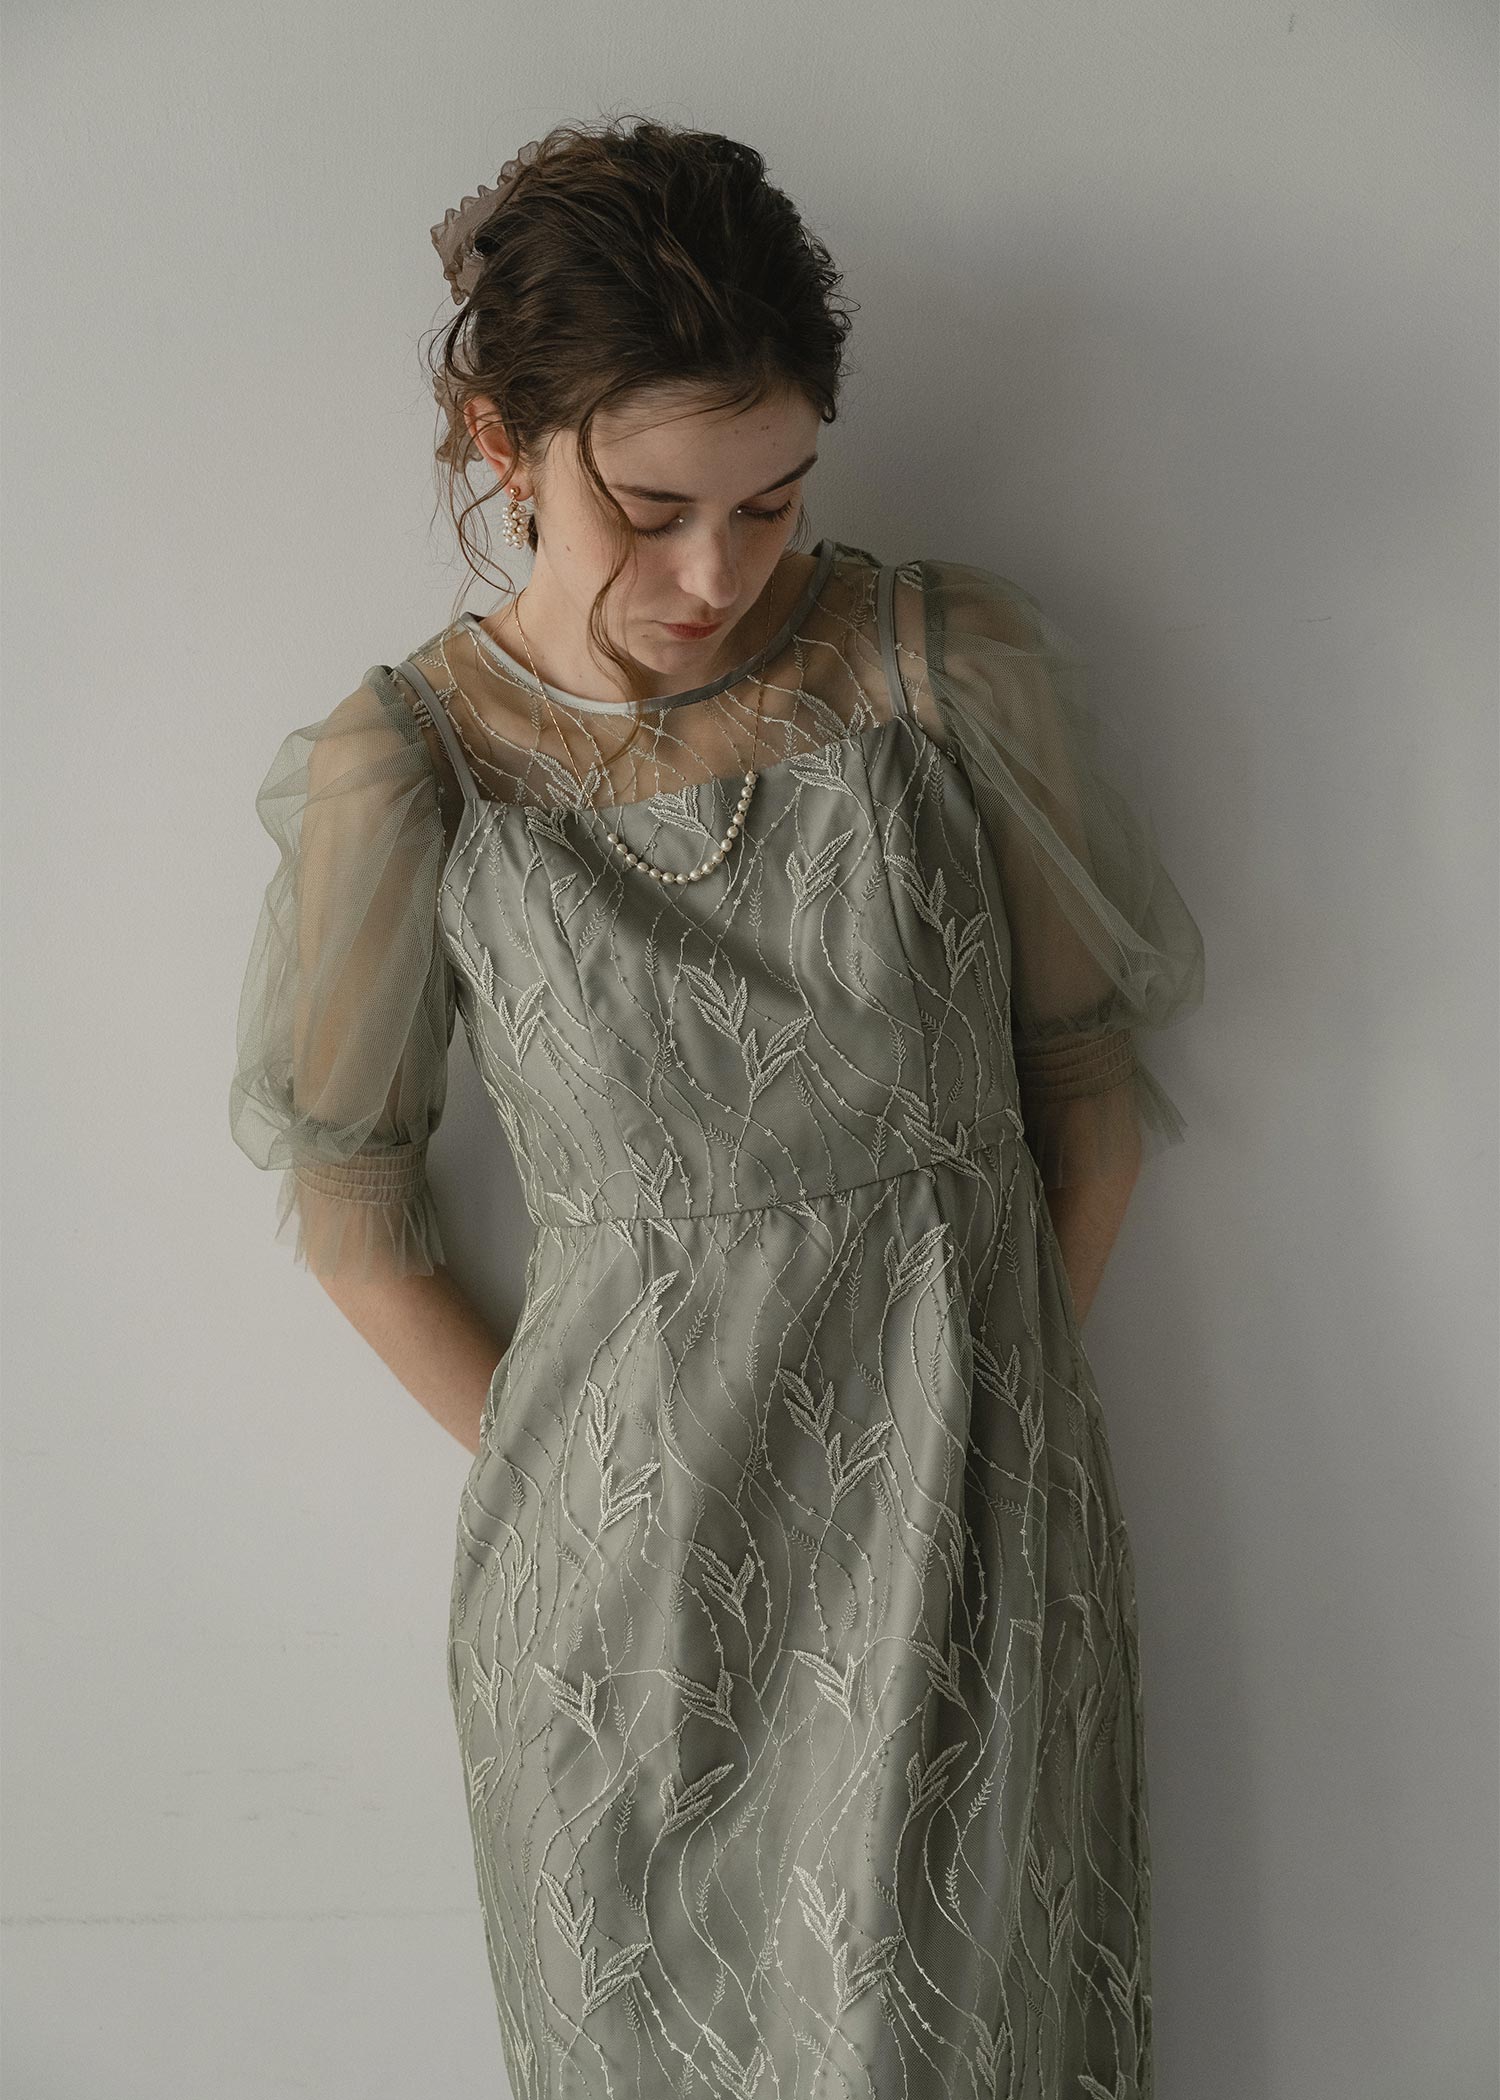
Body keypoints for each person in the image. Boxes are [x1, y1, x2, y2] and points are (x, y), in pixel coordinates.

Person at [229, 115, 1205, 2100]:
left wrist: (975, 1446)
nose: (713, 570)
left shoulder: (941, 669)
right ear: (501, 444)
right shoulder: (404, 772)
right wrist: (606, 1486)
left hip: (967, 1553)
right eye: (651, 506)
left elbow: (1087, 1106)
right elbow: (354, 1208)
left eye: (771, 501)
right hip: (620, 1608)